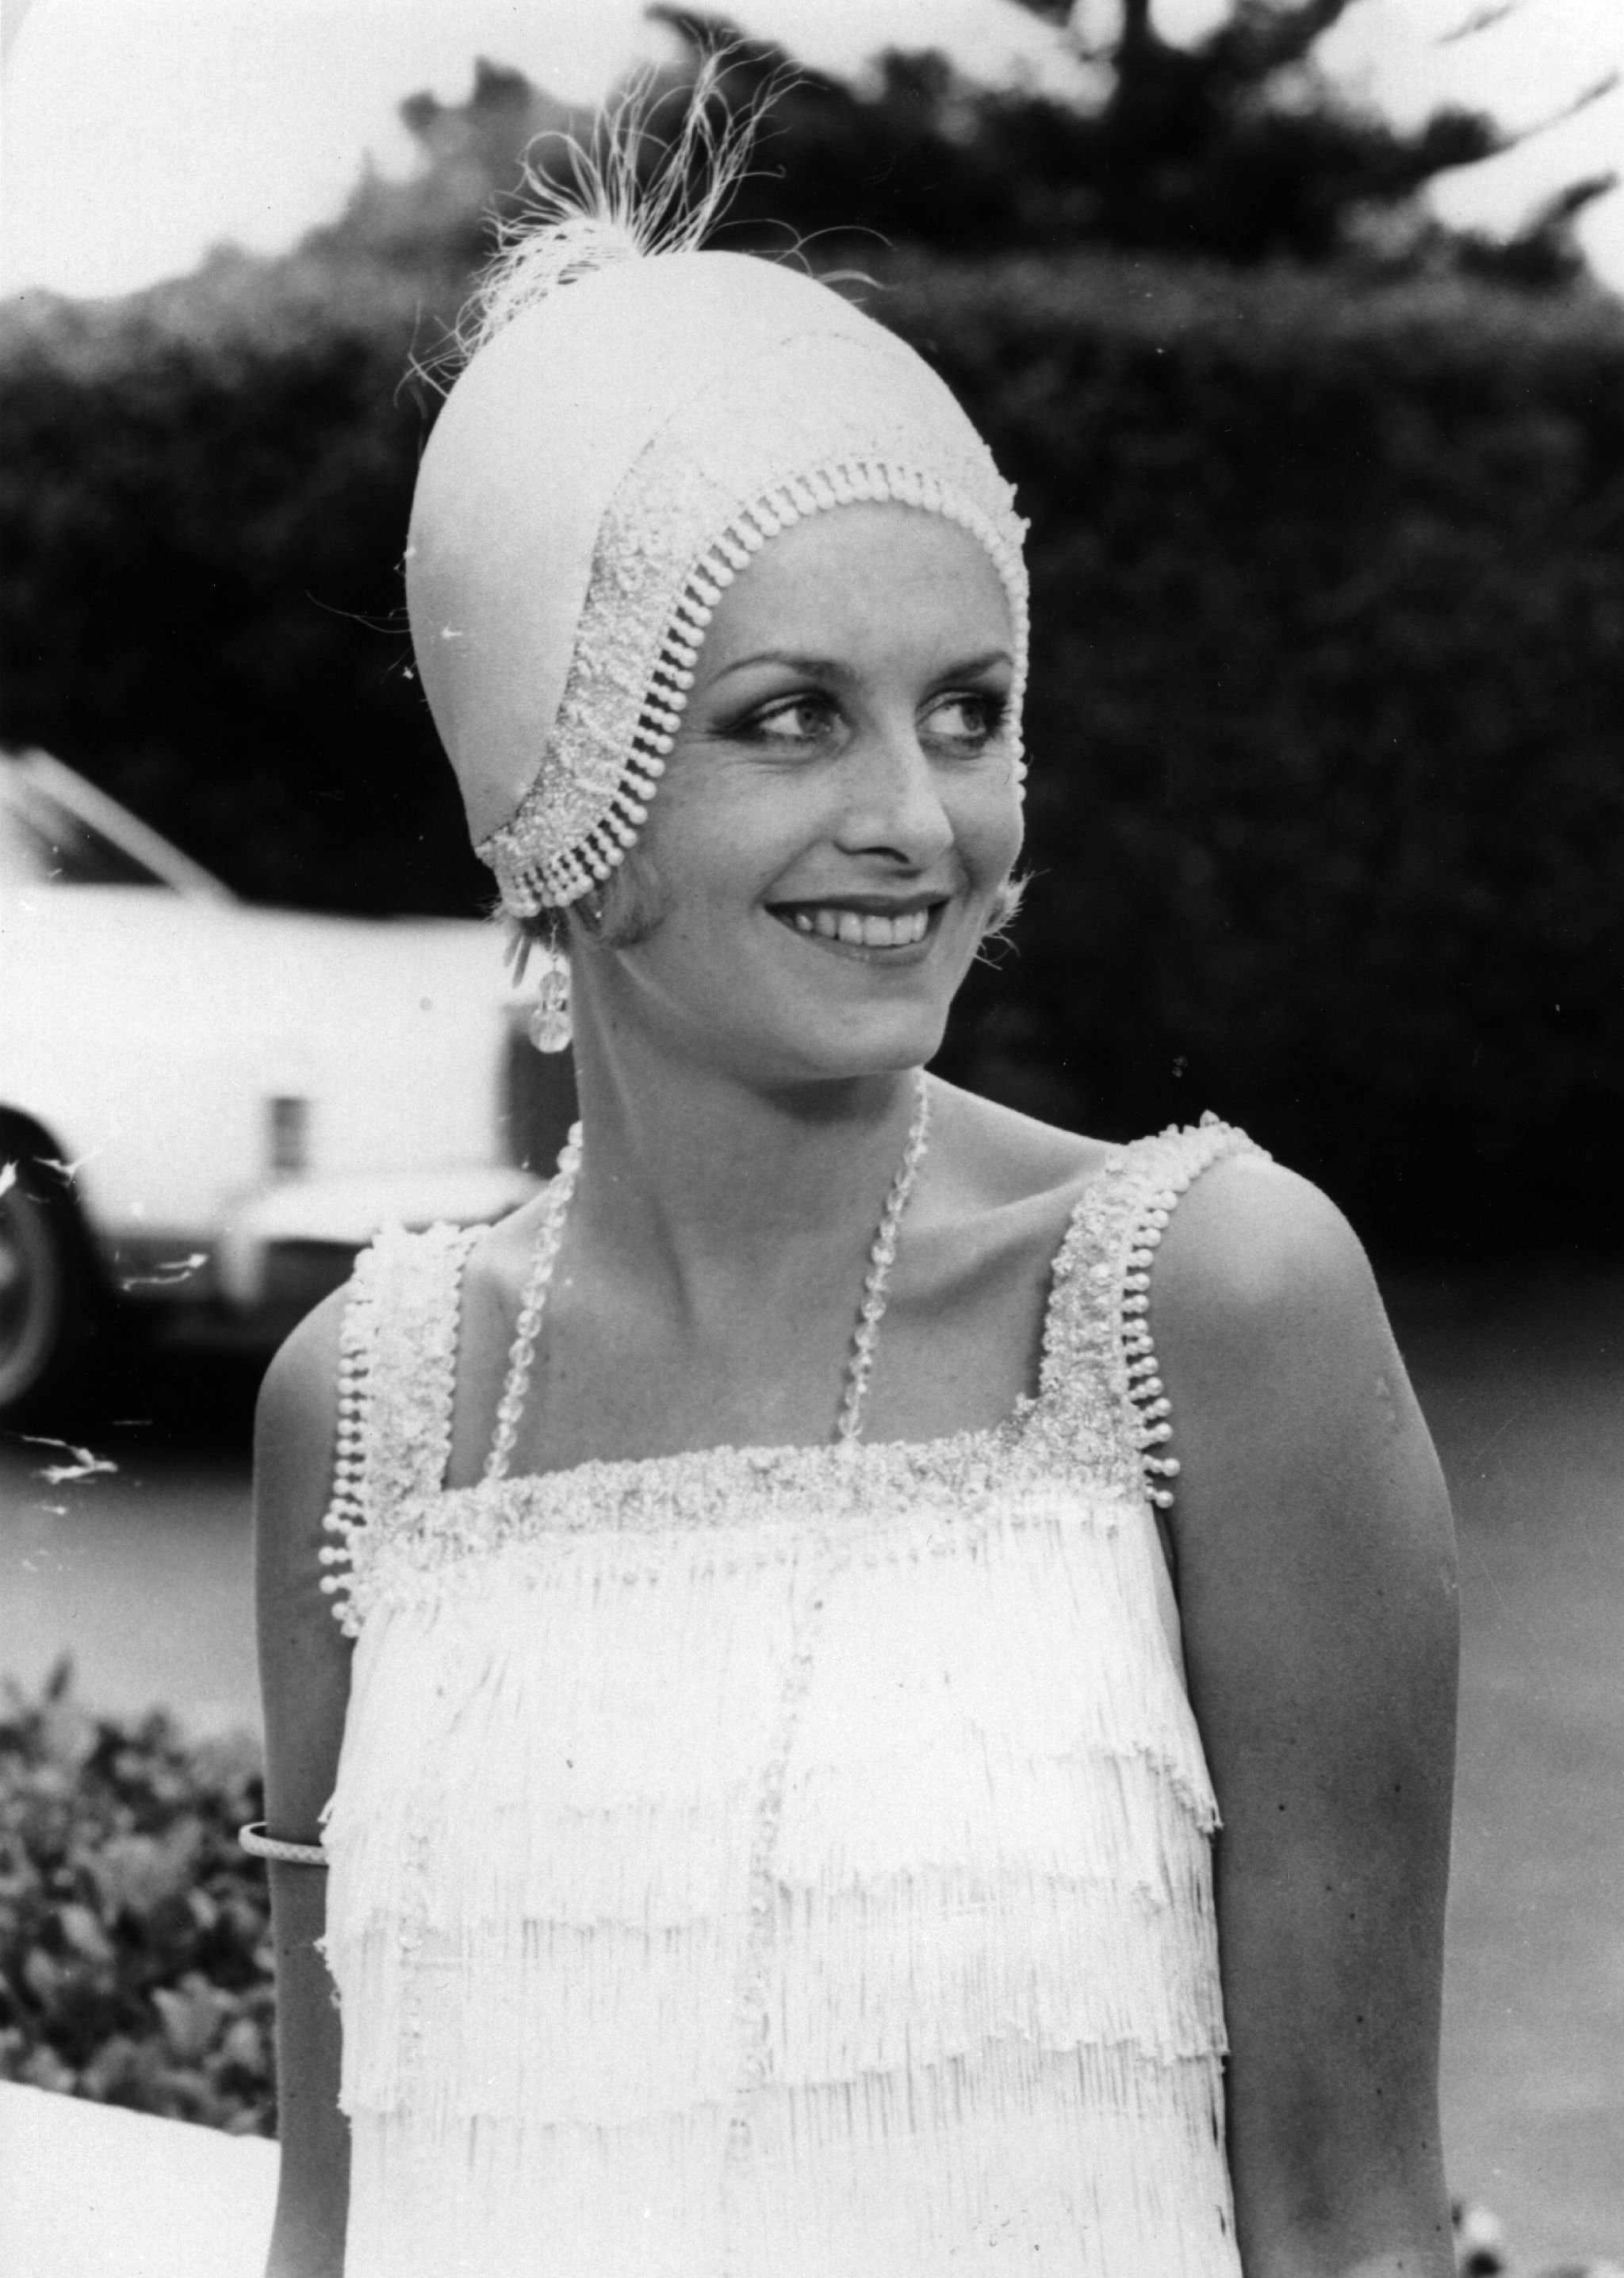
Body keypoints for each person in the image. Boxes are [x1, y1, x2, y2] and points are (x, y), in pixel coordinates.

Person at [250, 108, 1459, 2278]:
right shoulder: (368, 1414)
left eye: (969, 710)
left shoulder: (1215, 1307)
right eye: (789, 718)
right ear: (558, 780)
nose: (922, 818)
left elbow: (1354, 2228)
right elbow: (328, 2228)